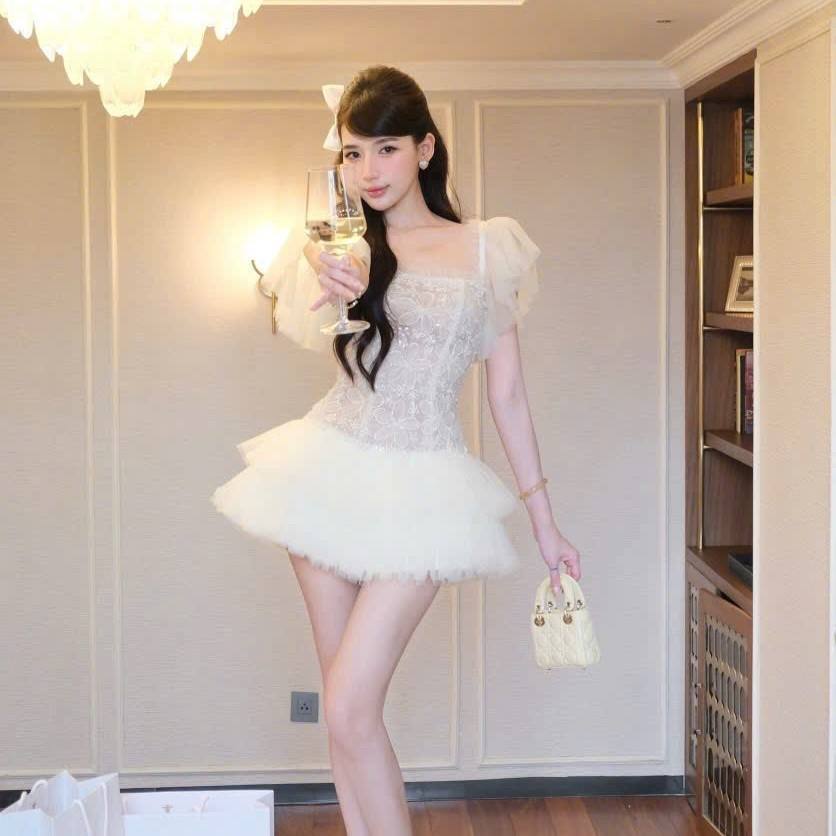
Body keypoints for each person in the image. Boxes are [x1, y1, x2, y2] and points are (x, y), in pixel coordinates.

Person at [211, 64, 582, 836]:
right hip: (326, 469)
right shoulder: (348, 246)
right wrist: (326, 280)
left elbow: (508, 394)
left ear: (424, 148)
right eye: (352, 153)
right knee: (343, 713)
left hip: (425, 487)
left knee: (351, 705)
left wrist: (545, 524)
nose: (368, 171)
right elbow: (313, 321)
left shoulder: (485, 249)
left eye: (385, 149)